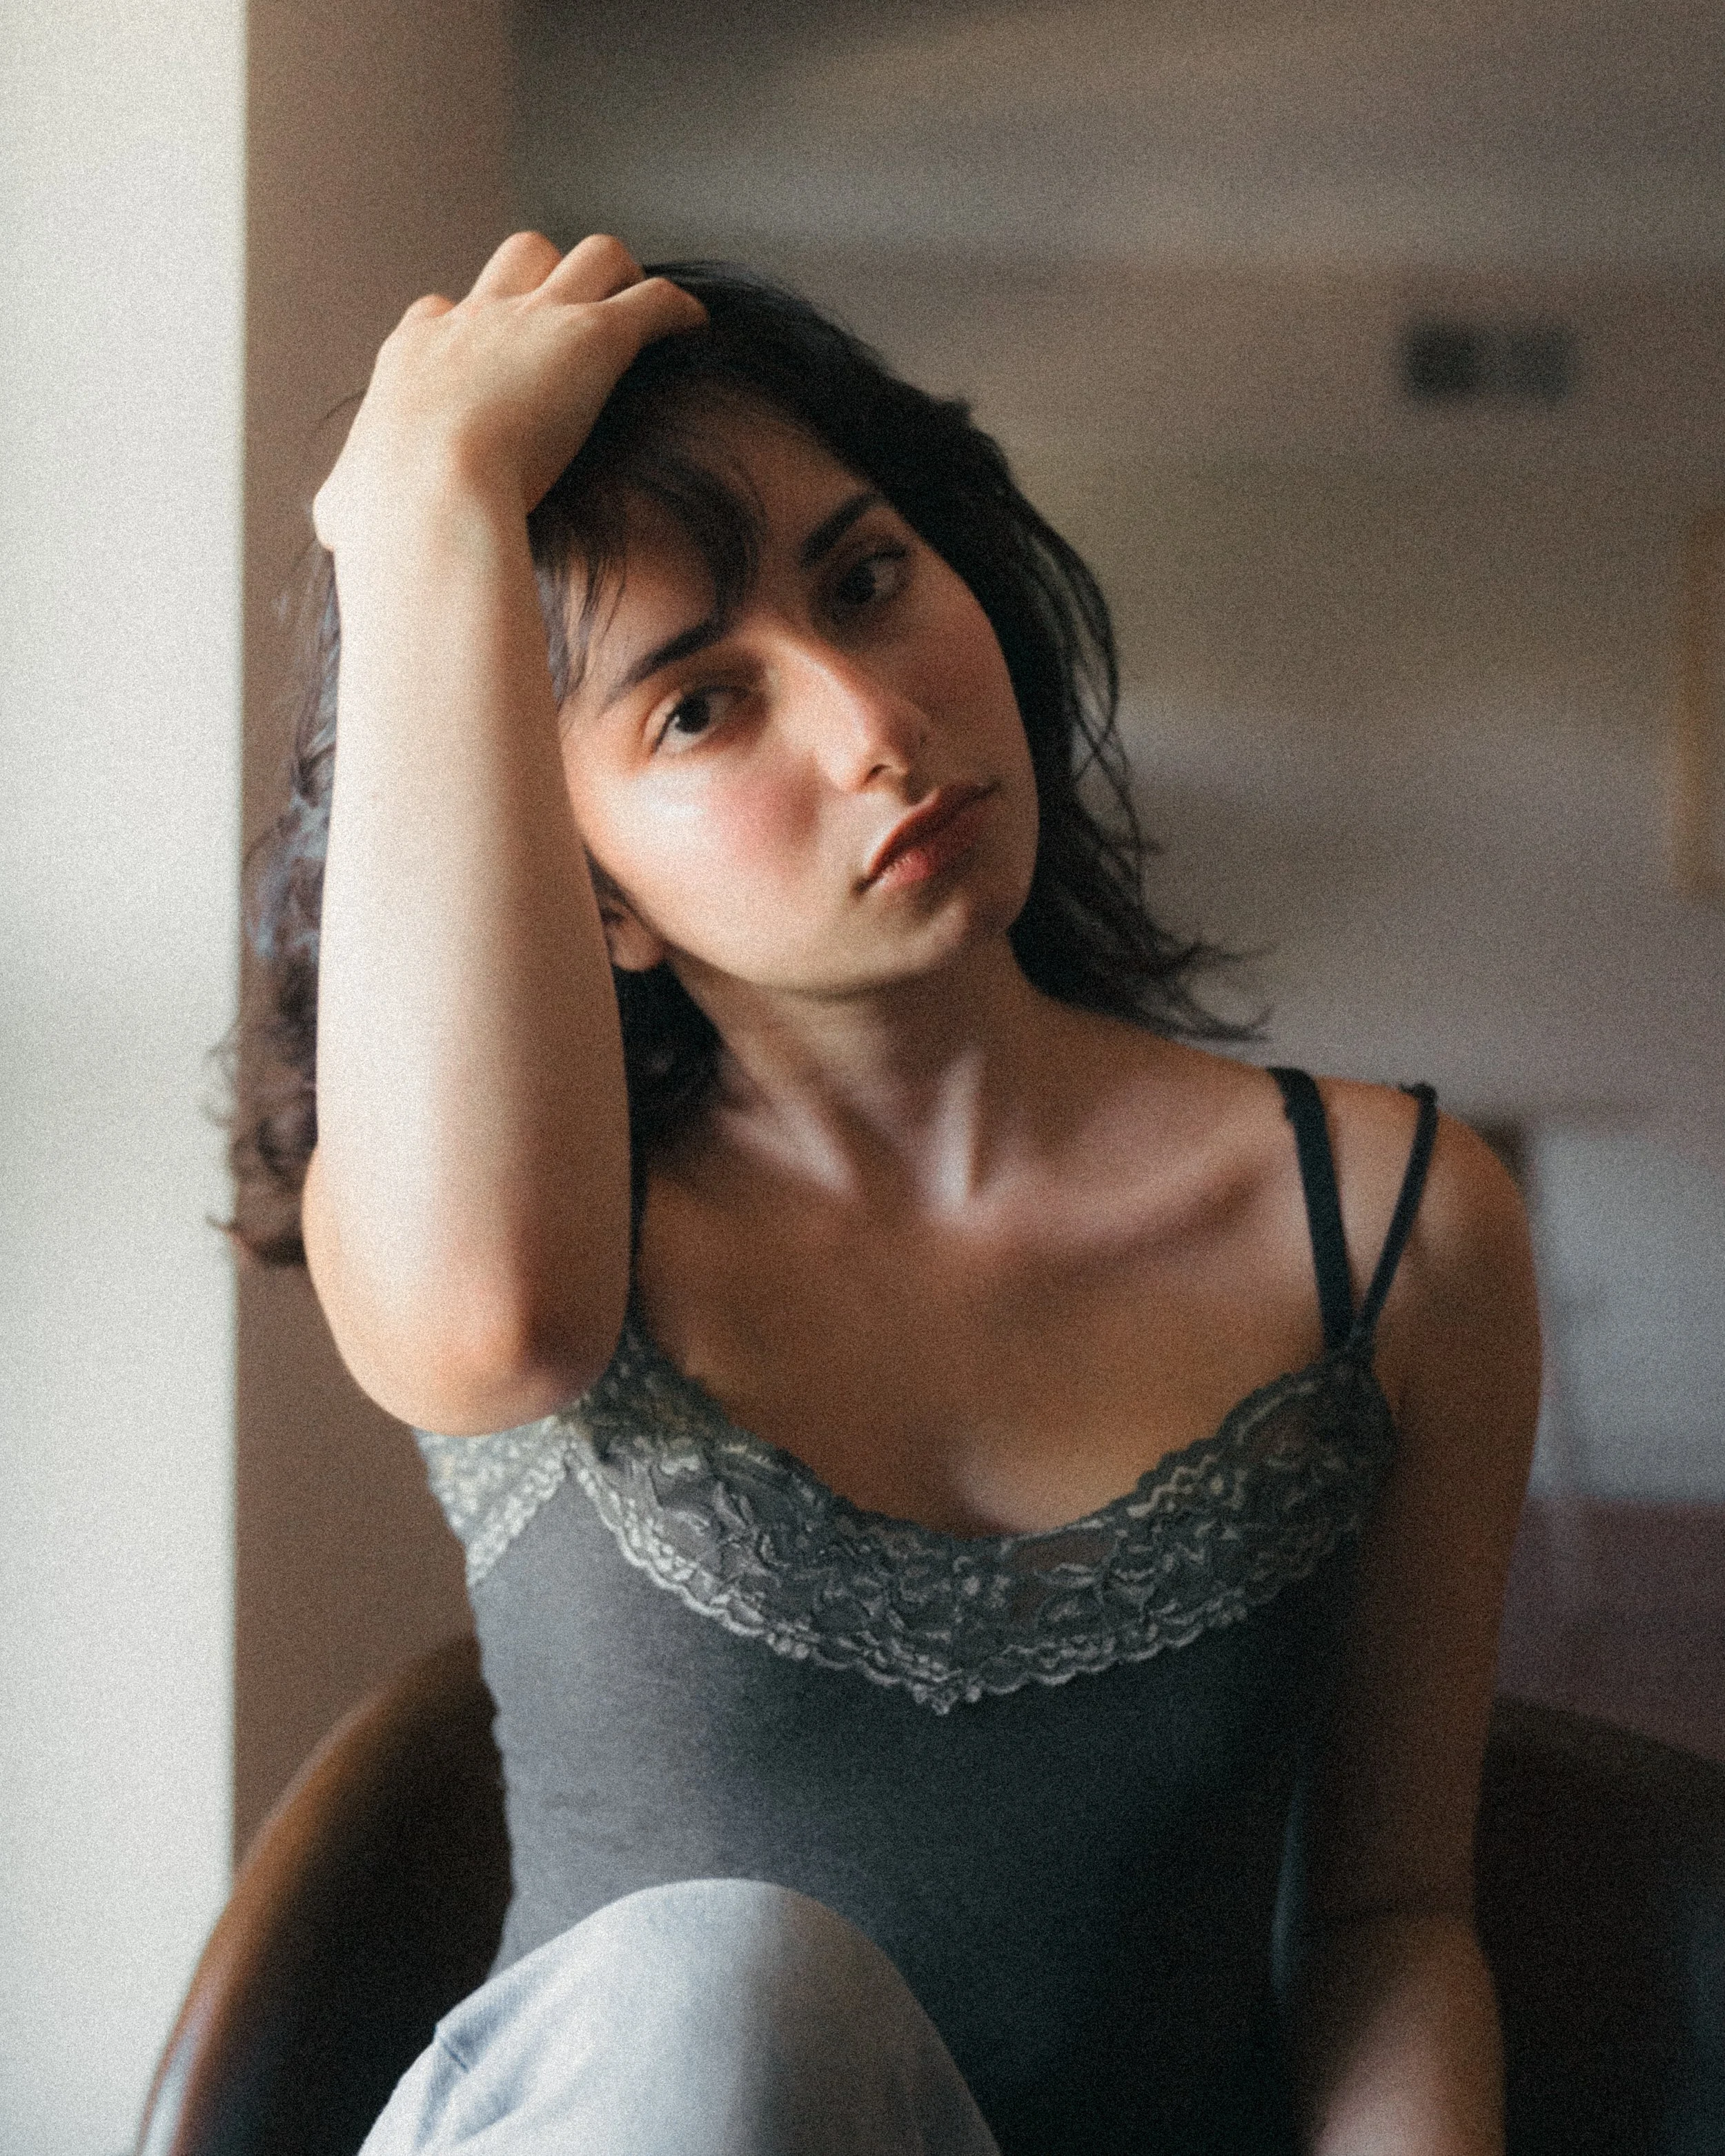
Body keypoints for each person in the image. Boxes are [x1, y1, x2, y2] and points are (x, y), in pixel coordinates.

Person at [231, 232, 1541, 2155]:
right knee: (731, 1994)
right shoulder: (528, 1225)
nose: (868, 725)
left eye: (866, 580)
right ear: (583, 889)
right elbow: (487, 1328)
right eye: (697, 706)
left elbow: (1385, 1915)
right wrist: (422, 503)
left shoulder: (1398, 1226)